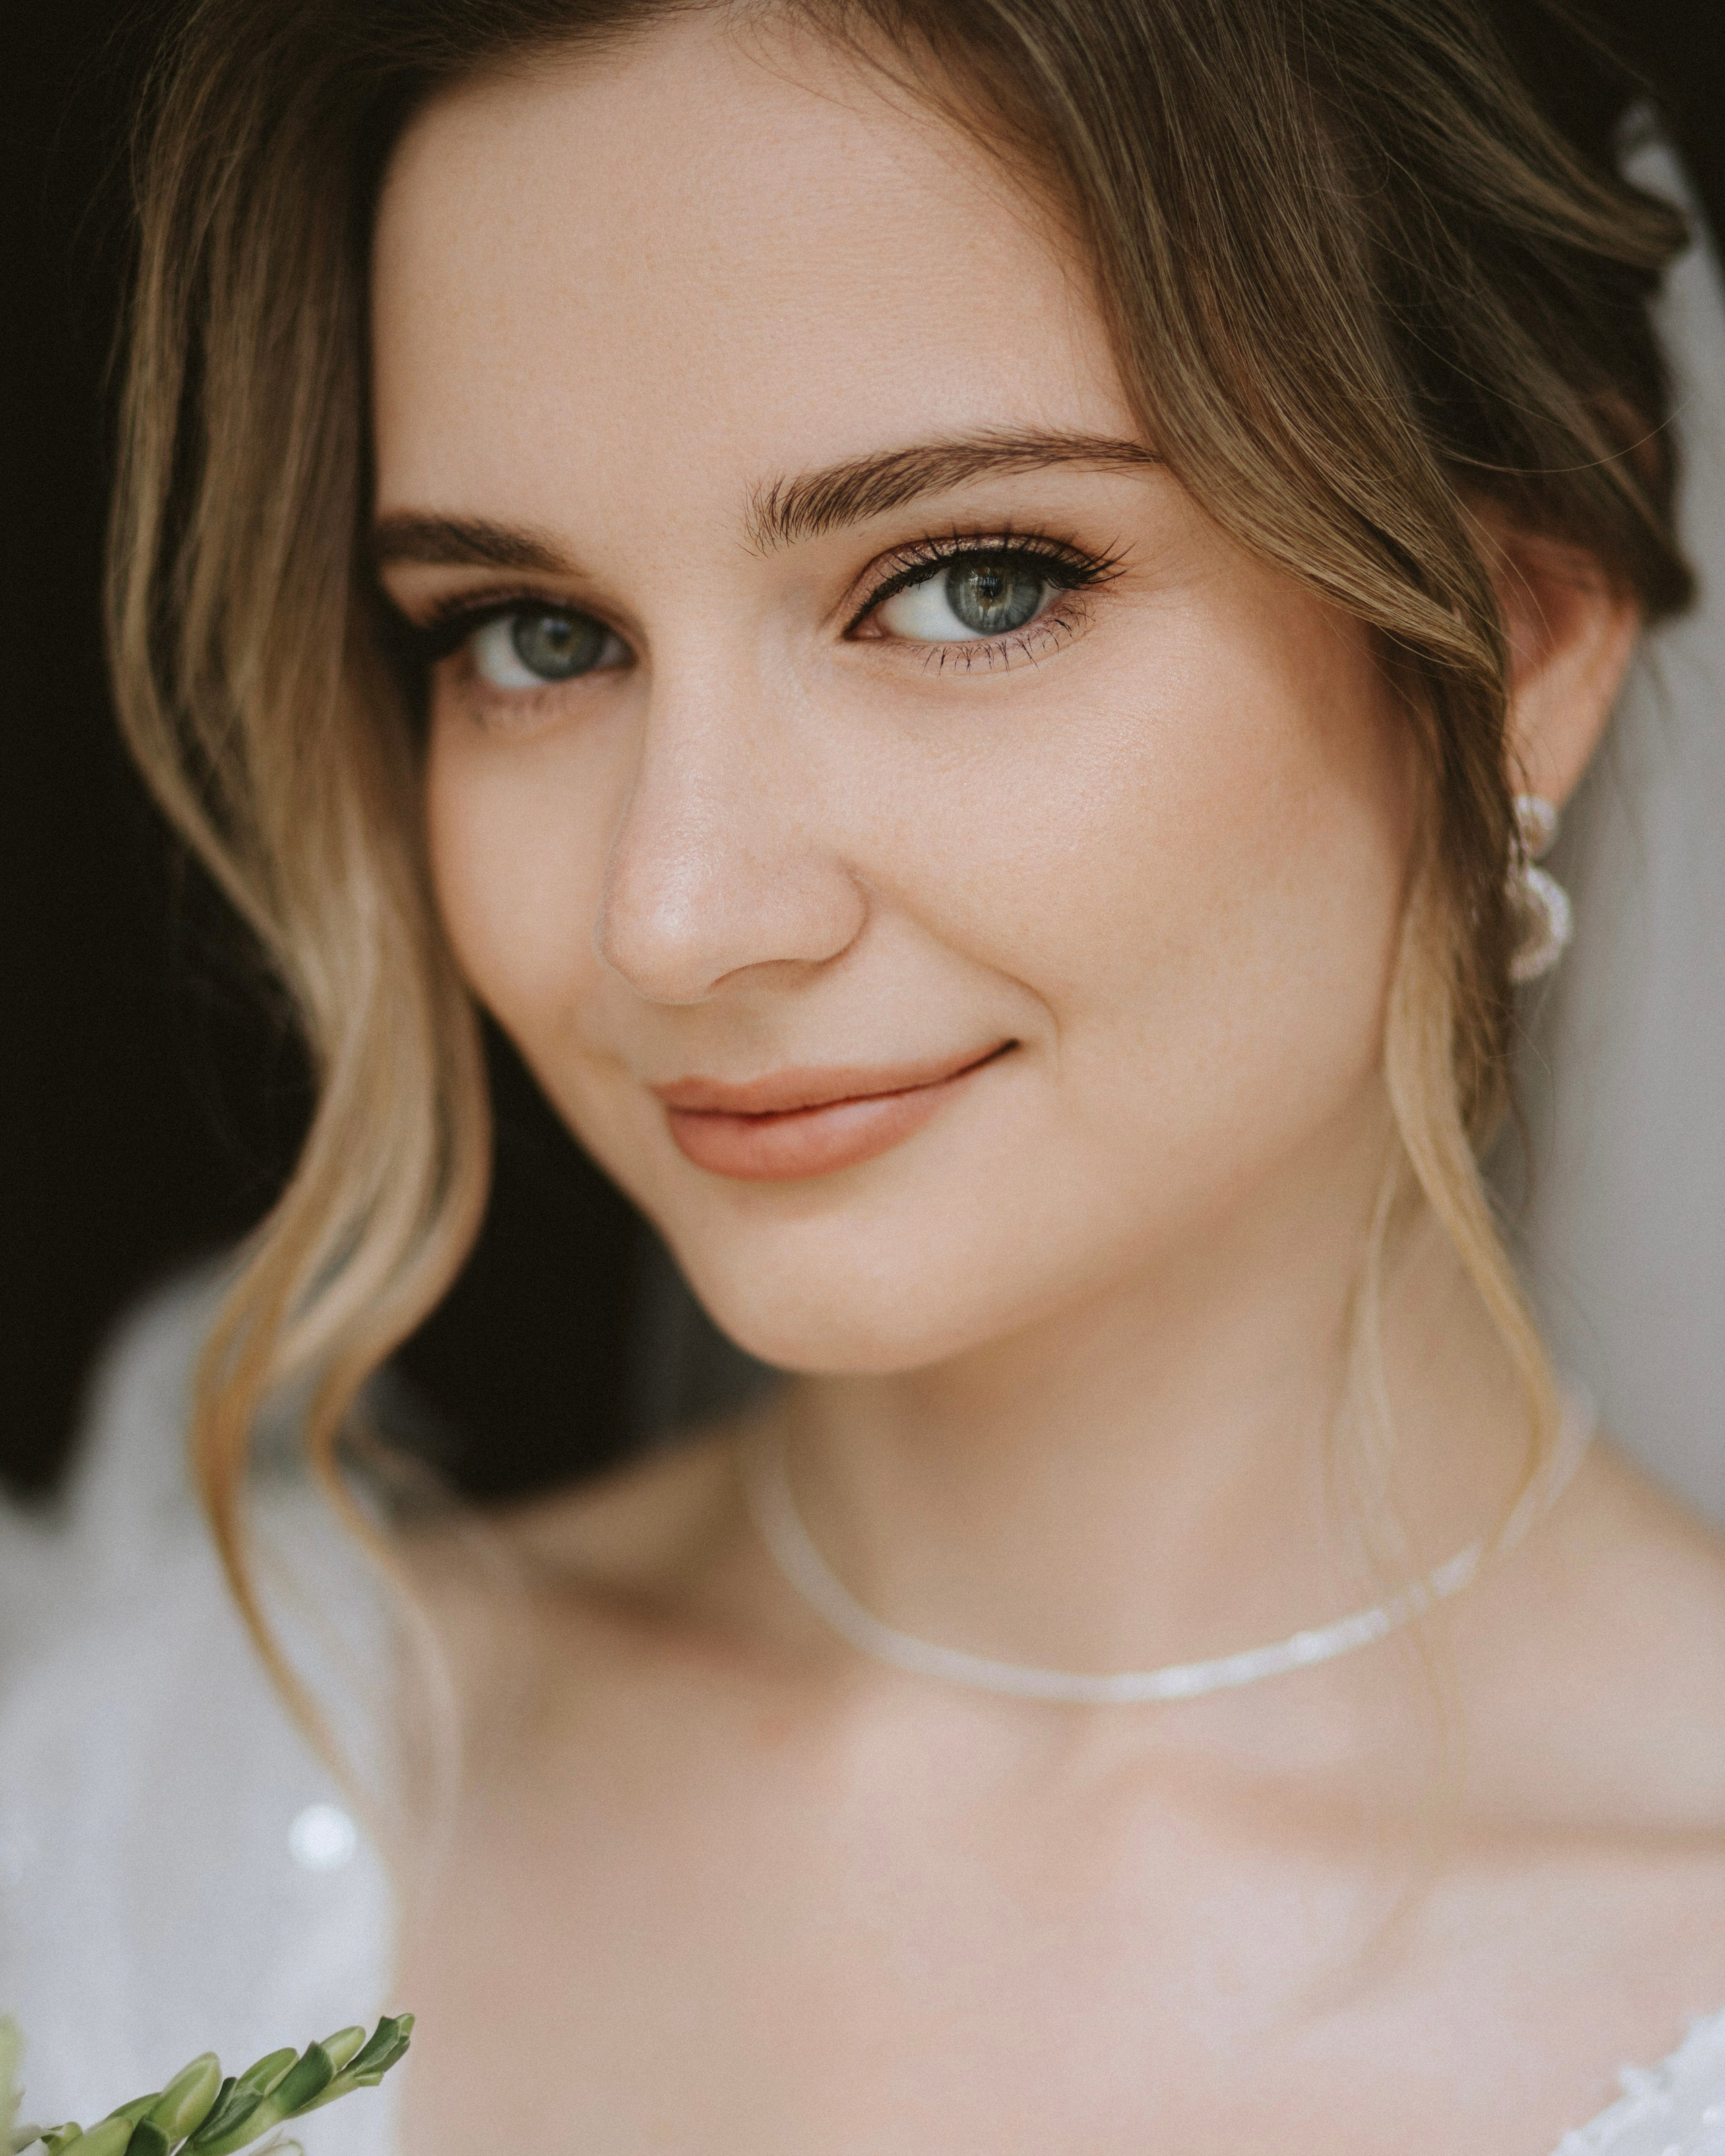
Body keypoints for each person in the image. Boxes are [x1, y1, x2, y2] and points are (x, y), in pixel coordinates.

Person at [6, 1, 1724, 2149]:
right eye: (533, 636)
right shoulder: (123, 1794)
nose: (676, 913)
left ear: (1528, 625)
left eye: (967, 584)